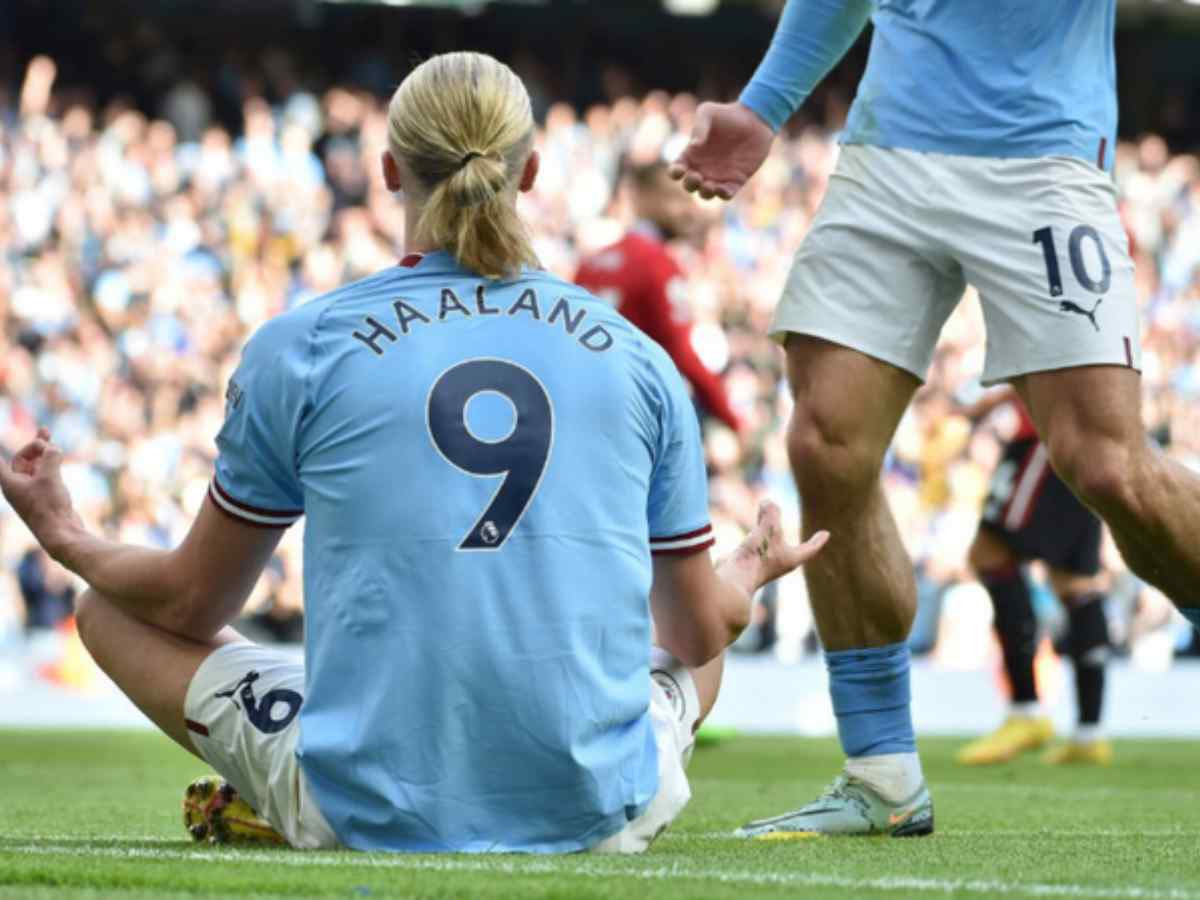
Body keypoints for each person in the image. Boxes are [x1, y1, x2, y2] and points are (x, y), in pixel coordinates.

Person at [0, 52, 827, 853]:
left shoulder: (302, 345)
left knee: (107, 608)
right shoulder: (638, 359)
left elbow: (187, 606)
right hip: (601, 808)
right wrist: (748, 568)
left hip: (357, 804)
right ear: (531, 172)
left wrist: (67, 536)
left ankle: (309, 771)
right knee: (696, 646)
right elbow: (695, 633)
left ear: (391, 171)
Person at [670, 0, 1200, 838]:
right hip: (889, 154)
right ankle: (882, 776)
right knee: (823, 442)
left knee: (1106, 465)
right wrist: (763, 107)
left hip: (1043, 154)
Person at [956, 389, 1112, 767]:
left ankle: (1025, 712)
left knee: (990, 555)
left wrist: (999, 398)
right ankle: (1089, 734)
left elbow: (1049, 349)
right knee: (1074, 581)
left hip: (1046, 433)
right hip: (1084, 434)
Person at [575, 158, 742, 433]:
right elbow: (681, 354)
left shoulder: (590, 264)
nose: (689, 210)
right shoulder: (658, 264)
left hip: (586, 416)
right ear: (643, 200)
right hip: (630, 421)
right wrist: (733, 419)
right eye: (676, 200)